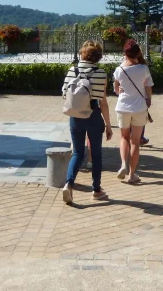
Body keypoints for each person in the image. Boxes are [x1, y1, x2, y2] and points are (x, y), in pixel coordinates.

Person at [61, 41, 113, 204]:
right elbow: (103, 102)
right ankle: (96, 190)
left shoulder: (72, 70)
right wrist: (109, 124)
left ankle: (69, 184)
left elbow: (64, 94)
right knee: (96, 154)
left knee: (77, 152)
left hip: (75, 116)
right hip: (94, 115)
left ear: (82, 54)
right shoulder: (101, 73)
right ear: (98, 56)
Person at [113, 40, 153, 184]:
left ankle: (123, 164)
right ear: (138, 53)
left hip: (123, 107)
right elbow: (148, 86)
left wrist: (121, 90)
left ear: (125, 53)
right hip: (139, 108)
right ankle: (132, 174)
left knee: (124, 137)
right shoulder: (143, 68)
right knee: (135, 141)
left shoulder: (119, 70)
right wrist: (149, 100)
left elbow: (117, 91)